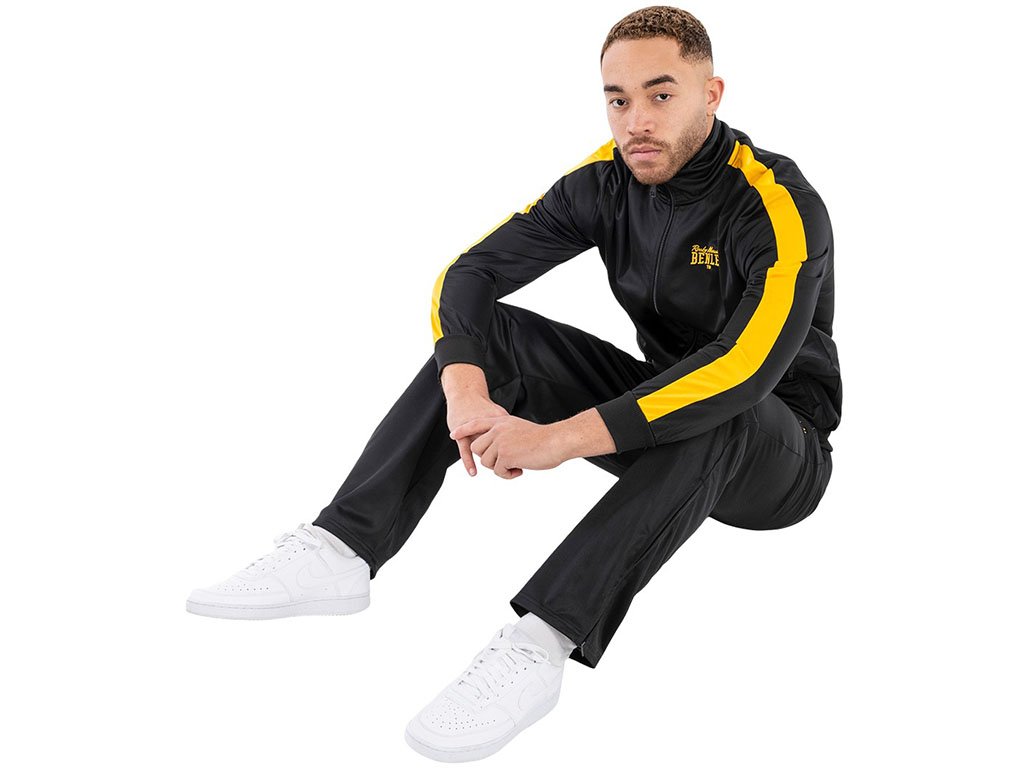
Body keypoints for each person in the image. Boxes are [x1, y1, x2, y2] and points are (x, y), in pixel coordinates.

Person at [186, 5, 841, 762]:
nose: (636, 121)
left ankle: (539, 643)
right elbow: (470, 275)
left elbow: (742, 369)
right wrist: (467, 391)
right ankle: (341, 548)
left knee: (724, 408)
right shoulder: (606, 179)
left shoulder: (777, 204)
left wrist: (559, 440)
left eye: (661, 95)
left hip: (778, 453)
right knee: (488, 339)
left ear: (712, 94)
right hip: (659, 419)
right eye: (617, 98)